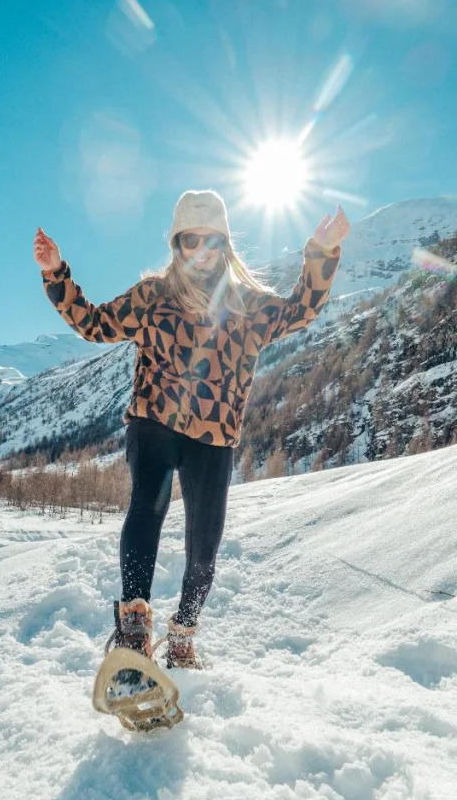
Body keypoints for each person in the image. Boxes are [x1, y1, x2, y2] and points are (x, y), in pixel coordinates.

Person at [34, 189, 349, 670]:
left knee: (205, 543)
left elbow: (301, 310)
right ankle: (134, 629)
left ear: (225, 245)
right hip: (154, 423)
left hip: (214, 438)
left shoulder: (247, 305)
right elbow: (94, 324)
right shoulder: (152, 296)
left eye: (210, 241)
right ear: (176, 244)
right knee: (146, 508)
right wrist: (56, 273)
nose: (200, 251)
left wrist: (323, 252)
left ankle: (182, 636)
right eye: (189, 241)